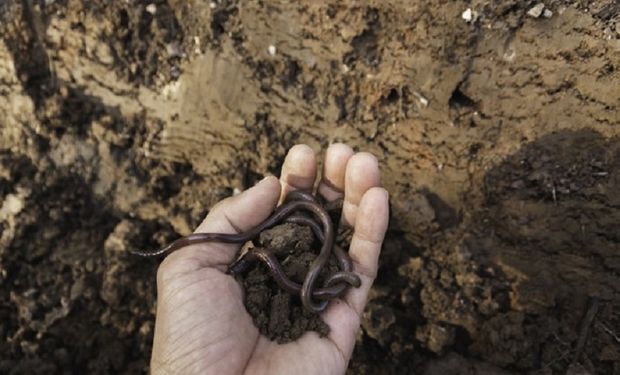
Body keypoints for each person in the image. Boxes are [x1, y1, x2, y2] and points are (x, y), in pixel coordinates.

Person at [150, 144, 389, 374]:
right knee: (312, 237)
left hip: (314, 275)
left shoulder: (320, 279)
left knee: (313, 236)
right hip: (312, 280)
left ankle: (317, 234)